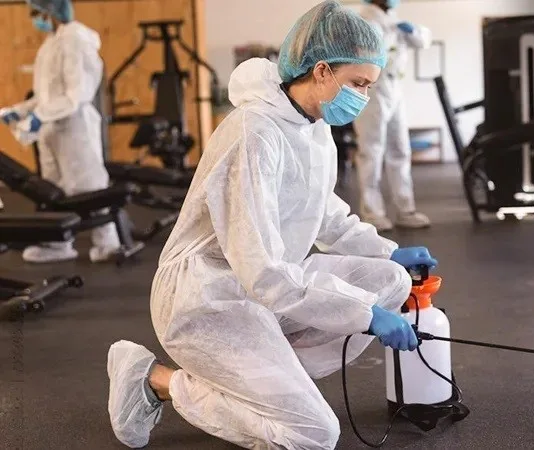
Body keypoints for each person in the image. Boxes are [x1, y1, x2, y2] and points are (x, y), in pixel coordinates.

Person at [106, 2, 438, 449]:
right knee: (314, 434)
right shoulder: (254, 134)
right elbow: (262, 271)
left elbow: (323, 211)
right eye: (359, 83)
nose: (364, 95)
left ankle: (266, 383)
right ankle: (155, 379)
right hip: (206, 300)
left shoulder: (312, 125)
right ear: (322, 71)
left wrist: (387, 251)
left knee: (391, 280)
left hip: (262, 290)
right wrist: (363, 314)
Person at [0, 0, 121, 263]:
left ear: (50, 10)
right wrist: (19, 110)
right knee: (51, 187)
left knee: (88, 186)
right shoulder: (50, 43)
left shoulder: (75, 39)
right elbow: (45, 95)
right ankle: (58, 244)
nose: (34, 18)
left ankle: (108, 244)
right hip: (51, 129)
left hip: (74, 127)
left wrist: (38, 116)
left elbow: (75, 95)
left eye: (36, 12)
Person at [353, 0, 433, 232]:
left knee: (400, 148)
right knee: (371, 151)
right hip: (372, 88)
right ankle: (373, 212)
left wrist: (412, 30)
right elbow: (371, 53)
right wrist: (391, 33)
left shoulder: (394, 20)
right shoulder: (365, 20)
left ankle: (405, 209)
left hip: (395, 89)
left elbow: (422, 40)